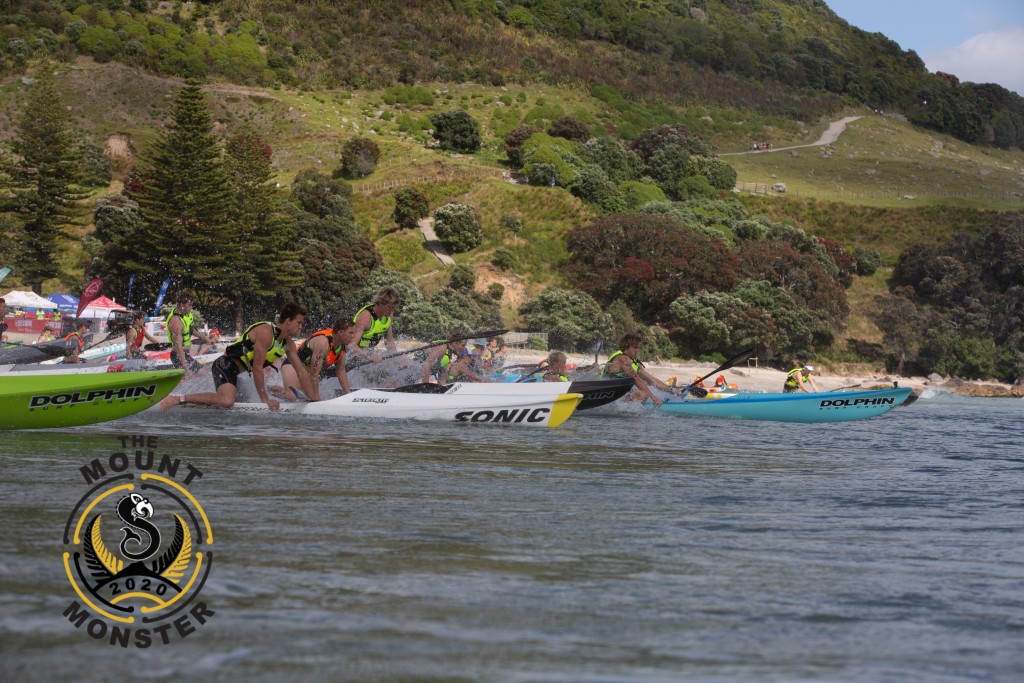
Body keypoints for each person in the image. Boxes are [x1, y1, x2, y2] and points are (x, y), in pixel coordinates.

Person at [160, 302, 313, 412]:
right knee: (227, 401)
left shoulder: (288, 344)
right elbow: (257, 368)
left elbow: (301, 372)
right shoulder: (266, 332)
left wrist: (314, 399)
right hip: (225, 365)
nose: (301, 327)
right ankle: (176, 399)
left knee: (284, 393)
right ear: (288, 321)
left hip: (237, 374)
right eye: (299, 322)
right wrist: (265, 401)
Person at [275, 317, 358, 401]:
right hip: (292, 365)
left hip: (306, 372)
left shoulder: (341, 347)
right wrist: (316, 398)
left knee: (304, 397)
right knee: (293, 396)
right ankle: (268, 390)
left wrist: (349, 396)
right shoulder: (323, 343)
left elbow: (341, 371)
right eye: (350, 333)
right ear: (340, 332)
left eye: (354, 333)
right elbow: (314, 373)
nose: (353, 336)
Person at [600, 332, 679, 407]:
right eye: (635, 347)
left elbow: (651, 380)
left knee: (643, 393)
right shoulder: (622, 358)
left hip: (619, 393)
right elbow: (637, 380)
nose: (637, 350)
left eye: (638, 347)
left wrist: (672, 390)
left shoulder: (634, 362)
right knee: (643, 394)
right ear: (626, 346)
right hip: (605, 391)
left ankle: (627, 406)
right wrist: (653, 398)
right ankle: (619, 410)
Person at [165, 290, 210, 377]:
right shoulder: (176, 322)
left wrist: (206, 339)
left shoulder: (186, 315)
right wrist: (186, 369)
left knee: (203, 373)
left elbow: (192, 330)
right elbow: (178, 347)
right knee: (192, 377)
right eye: (189, 305)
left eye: (191, 305)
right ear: (181, 305)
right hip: (178, 356)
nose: (191, 308)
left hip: (185, 354)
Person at [348, 286, 400, 360]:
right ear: (380, 302)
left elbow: (389, 341)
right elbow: (351, 345)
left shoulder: (388, 315)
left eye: (393, 308)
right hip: (351, 357)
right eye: (389, 307)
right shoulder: (365, 317)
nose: (392, 311)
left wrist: (397, 359)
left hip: (366, 355)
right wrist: (368, 356)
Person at [421, 337, 487, 383]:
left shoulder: (449, 357)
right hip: (415, 368)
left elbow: (442, 378)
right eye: (469, 357)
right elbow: (426, 366)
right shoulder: (442, 348)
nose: (471, 359)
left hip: (419, 374)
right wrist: (426, 386)